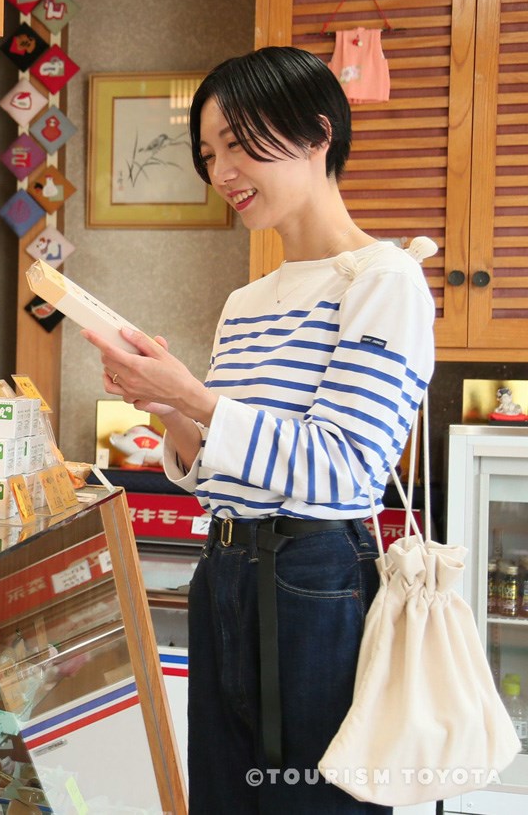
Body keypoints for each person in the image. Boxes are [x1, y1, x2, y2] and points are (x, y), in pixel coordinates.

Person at [84, 46, 435, 814]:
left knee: (316, 802)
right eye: (209, 154)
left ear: (317, 134)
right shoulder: (246, 303)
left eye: (240, 144)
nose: (222, 172)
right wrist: (166, 405)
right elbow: (219, 470)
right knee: (225, 797)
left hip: (317, 578)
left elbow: (345, 470)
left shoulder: (386, 280)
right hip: (225, 569)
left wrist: (196, 398)